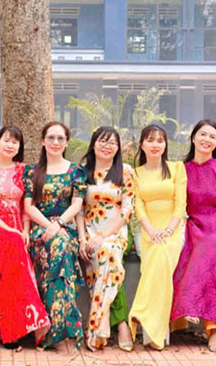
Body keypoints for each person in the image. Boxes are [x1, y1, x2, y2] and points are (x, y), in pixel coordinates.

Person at [0, 126, 50, 349]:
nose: (10, 145)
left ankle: (10, 331)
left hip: (16, 231)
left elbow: (26, 206)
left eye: (15, 142)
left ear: (19, 147)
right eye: (6, 140)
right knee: (16, 258)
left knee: (13, 270)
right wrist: (8, 229)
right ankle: (36, 321)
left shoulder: (24, 170)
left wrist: (24, 230)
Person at [170, 120, 216, 353]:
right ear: (193, 138)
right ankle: (185, 312)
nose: (207, 140)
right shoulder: (181, 170)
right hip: (192, 224)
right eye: (202, 134)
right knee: (187, 251)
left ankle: (215, 327)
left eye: (212, 136)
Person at [23, 121, 87, 349]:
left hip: (66, 227)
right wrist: (48, 226)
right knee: (57, 247)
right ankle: (64, 322)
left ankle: (51, 325)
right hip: (41, 228)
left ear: (66, 142)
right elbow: (29, 206)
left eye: (60, 138)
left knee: (60, 246)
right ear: (43, 141)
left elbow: (77, 204)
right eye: (51, 138)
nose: (55, 142)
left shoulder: (76, 171)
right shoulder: (32, 171)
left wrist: (59, 224)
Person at [75, 126, 135, 351]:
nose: (107, 146)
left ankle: (97, 327)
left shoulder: (125, 171)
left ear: (118, 147)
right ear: (93, 144)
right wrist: (82, 239)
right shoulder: (83, 172)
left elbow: (127, 211)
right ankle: (112, 323)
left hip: (115, 232)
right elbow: (79, 209)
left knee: (108, 252)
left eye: (112, 142)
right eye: (102, 141)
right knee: (104, 261)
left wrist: (104, 235)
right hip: (89, 231)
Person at [128, 124, 187, 350]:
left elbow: (180, 204)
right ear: (142, 145)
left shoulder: (177, 168)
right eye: (150, 140)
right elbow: (138, 206)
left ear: (165, 145)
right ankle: (155, 334)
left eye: (160, 140)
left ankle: (141, 312)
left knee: (161, 254)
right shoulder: (135, 174)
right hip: (148, 230)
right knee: (157, 262)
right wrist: (151, 230)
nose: (155, 145)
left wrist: (169, 230)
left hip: (173, 229)